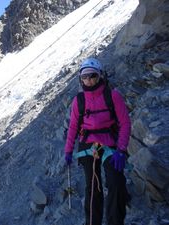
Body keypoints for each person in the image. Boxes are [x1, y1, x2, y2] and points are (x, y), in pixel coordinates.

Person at [64, 58, 131, 225]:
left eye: (92, 75)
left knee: (116, 183)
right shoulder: (79, 101)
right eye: (84, 77)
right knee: (93, 188)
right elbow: (73, 127)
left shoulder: (112, 96)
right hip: (88, 144)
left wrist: (121, 150)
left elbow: (125, 123)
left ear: (100, 75)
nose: (88, 80)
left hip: (109, 142)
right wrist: (68, 151)